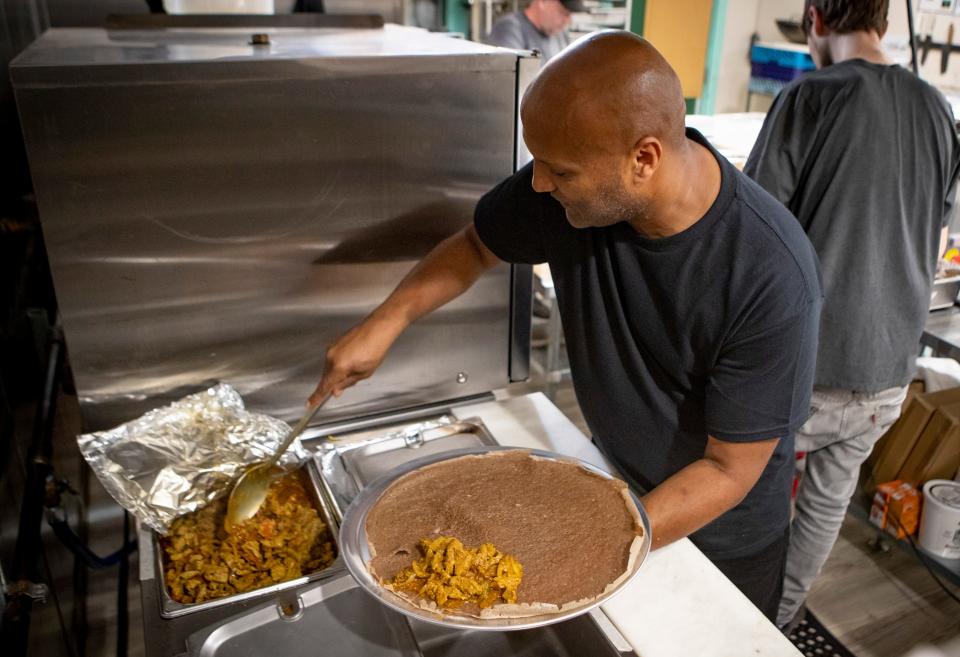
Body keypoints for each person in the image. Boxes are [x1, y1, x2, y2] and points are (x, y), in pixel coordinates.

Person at [309, 30, 823, 622]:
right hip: (615, 488)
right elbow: (478, 243)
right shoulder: (568, 189)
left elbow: (728, 468)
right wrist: (386, 321)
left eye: (559, 170)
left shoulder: (771, 274)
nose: (538, 185)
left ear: (644, 159)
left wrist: (594, 546)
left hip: (720, 539)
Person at [744, 0, 960, 630]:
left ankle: (726, 624)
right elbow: (941, 225)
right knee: (824, 508)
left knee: (743, 501)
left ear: (814, 17)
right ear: (884, 22)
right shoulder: (938, 108)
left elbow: (754, 230)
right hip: (889, 368)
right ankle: (774, 630)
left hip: (805, 371)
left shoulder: (809, 96)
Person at [485, 0, 585, 63]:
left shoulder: (560, 35)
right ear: (542, 2)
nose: (568, 21)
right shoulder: (509, 29)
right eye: (564, 13)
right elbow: (511, 80)